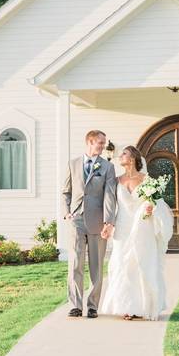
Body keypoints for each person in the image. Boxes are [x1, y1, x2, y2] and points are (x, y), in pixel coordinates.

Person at [99, 145, 174, 320]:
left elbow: (157, 203)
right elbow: (110, 205)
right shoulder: (116, 180)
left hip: (143, 226)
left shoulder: (146, 179)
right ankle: (126, 306)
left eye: (124, 153)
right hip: (123, 226)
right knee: (122, 264)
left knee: (143, 263)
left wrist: (150, 209)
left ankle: (144, 306)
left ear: (132, 157)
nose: (120, 156)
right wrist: (107, 224)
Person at [60, 130, 117, 318]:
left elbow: (109, 195)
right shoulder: (73, 164)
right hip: (76, 220)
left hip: (97, 222)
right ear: (90, 142)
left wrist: (108, 221)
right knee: (75, 263)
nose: (102, 146)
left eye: (103, 143)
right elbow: (65, 192)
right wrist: (66, 212)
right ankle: (75, 305)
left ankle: (92, 306)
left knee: (96, 266)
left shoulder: (108, 167)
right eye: (100, 143)